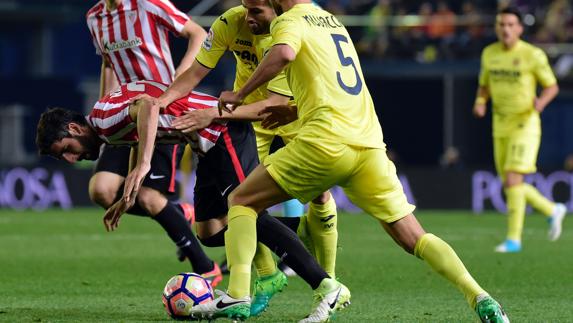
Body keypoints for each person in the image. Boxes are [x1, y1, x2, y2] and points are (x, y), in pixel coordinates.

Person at [196, 0, 511, 322]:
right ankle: (480, 297)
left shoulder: (288, 21)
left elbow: (284, 54)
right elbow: (332, 83)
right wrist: (295, 109)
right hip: (369, 143)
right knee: (413, 237)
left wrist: (239, 93)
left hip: (325, 142)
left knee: (242, 200)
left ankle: (238, 295)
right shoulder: (332, 21)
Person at [35, 80, 350, 322]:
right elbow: (135, 134)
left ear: (75, 128)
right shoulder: (106, 129)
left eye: (67, 148)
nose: (72, 157)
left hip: (223, 131)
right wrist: (130, 189)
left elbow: (147, 105)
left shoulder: (103, 121)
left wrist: (144, 165)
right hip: (206, 148)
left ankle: (327, 287)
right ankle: (296, 230)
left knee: (247, 209)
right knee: (210, 231)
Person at [151, 0, 339, 316]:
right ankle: (269, 273)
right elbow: (195, 72)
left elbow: (274, 104)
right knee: (239, 206)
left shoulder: (287, 34)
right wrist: (162, 102)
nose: (247, 16)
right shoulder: (231, 22)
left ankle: (329, 280)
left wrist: (211, 114)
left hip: (299, 115)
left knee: (318, 193)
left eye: (256, 10)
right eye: (245, 7)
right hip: (246, 120)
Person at [85, 0, 223, 285]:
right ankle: (177, 211)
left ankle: (205, 266)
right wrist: (103, 106)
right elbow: (108, 63)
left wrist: (178, 83)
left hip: (159, 114)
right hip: (122, 115)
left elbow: (198, 33)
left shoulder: (148, 5)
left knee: (147, 197)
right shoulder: (95, 17)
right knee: (101, 190)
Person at [473, 7, 566, 253]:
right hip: (499, 125)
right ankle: (552, 209)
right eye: (501, 24)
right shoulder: (489, 54)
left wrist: (541, 102)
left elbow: (552, 86)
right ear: (496, 27)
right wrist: (480, 102)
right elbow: (484, 86)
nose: (505, 29)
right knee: (509, 184)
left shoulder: (532, 54)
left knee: (513, 179)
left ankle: (514, 240)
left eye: (510, 24)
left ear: (520, 29)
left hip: (525, 124)